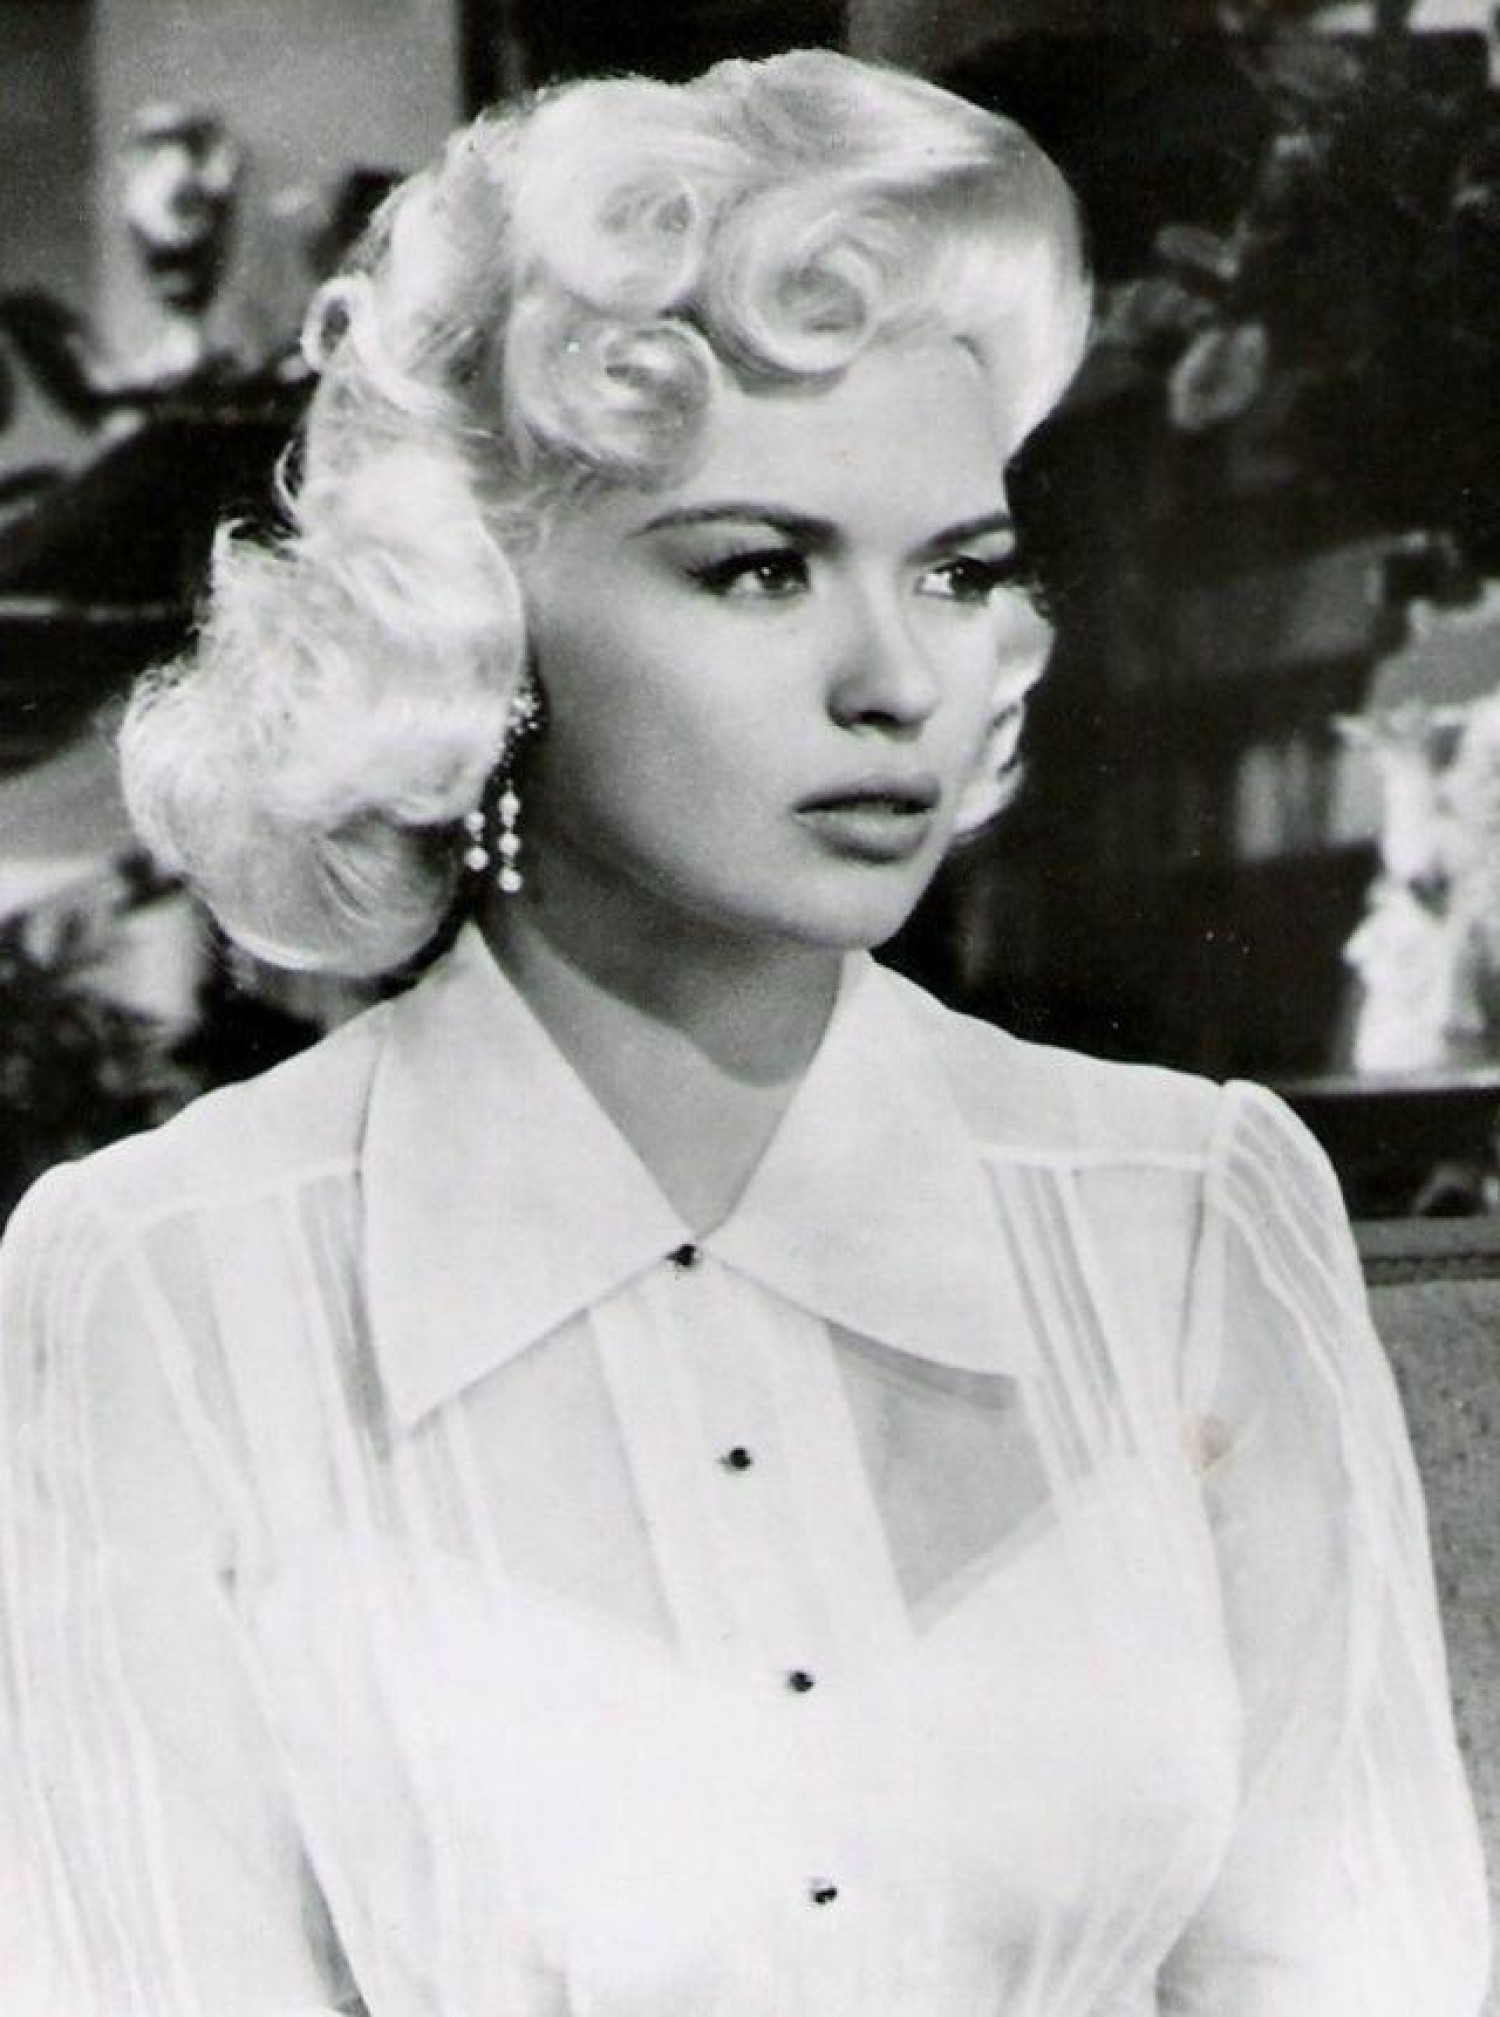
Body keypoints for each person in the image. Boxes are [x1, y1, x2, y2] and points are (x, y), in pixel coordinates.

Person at [0, 49, 1488, 2016]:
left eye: (955, 570)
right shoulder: (170, 1284)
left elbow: (1361, 1967)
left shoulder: (1193, 1214)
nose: (899, 678)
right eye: (761, 567)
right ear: (478, 621)